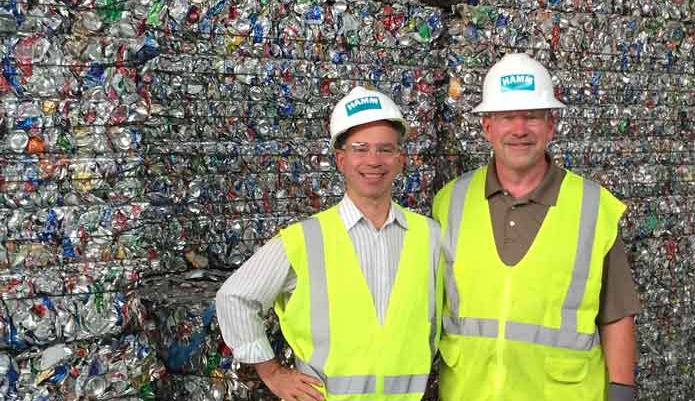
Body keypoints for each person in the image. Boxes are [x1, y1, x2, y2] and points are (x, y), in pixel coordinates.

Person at [432, 53, 639, 401]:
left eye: (531, 117)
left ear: (550, 126)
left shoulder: (591, 206)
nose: (519, 129)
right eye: (507, 117)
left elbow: (616, 314)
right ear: (487, 128)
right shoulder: (450, 201)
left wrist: (621, 392)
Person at [216, 86, 441, 401]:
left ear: (400, 159)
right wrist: (272, 373)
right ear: (340, 159)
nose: (373, 160)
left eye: (385, 149)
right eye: (360, 148)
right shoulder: (304, 239)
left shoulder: (429, 236)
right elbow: (234, 298)